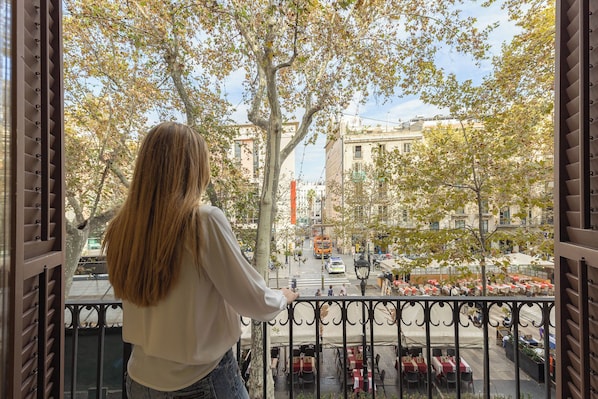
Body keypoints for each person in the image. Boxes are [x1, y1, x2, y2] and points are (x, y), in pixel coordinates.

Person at [103, 122, 299, 399]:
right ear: (194, 169)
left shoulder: (120, 228)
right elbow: (252, 300)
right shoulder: (203, 222)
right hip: (201, 381)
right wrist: (281, 297)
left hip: (141, 380)